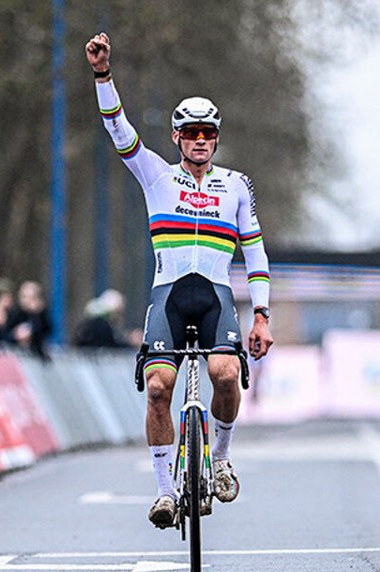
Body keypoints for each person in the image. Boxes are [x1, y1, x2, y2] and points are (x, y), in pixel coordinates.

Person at [85, 33, 273, 529]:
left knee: (226, 375)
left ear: (216, 137)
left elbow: (253, 248)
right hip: (168, 295)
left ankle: (224, 458)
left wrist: (263, 314)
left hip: (213, 296)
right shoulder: (155, 176)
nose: (199, 140)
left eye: (207, 133)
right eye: (190, 133)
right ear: (176, 137)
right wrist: (104, 75)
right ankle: (166, 491)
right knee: (158, 387)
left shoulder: (235, 185)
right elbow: (117, 129)